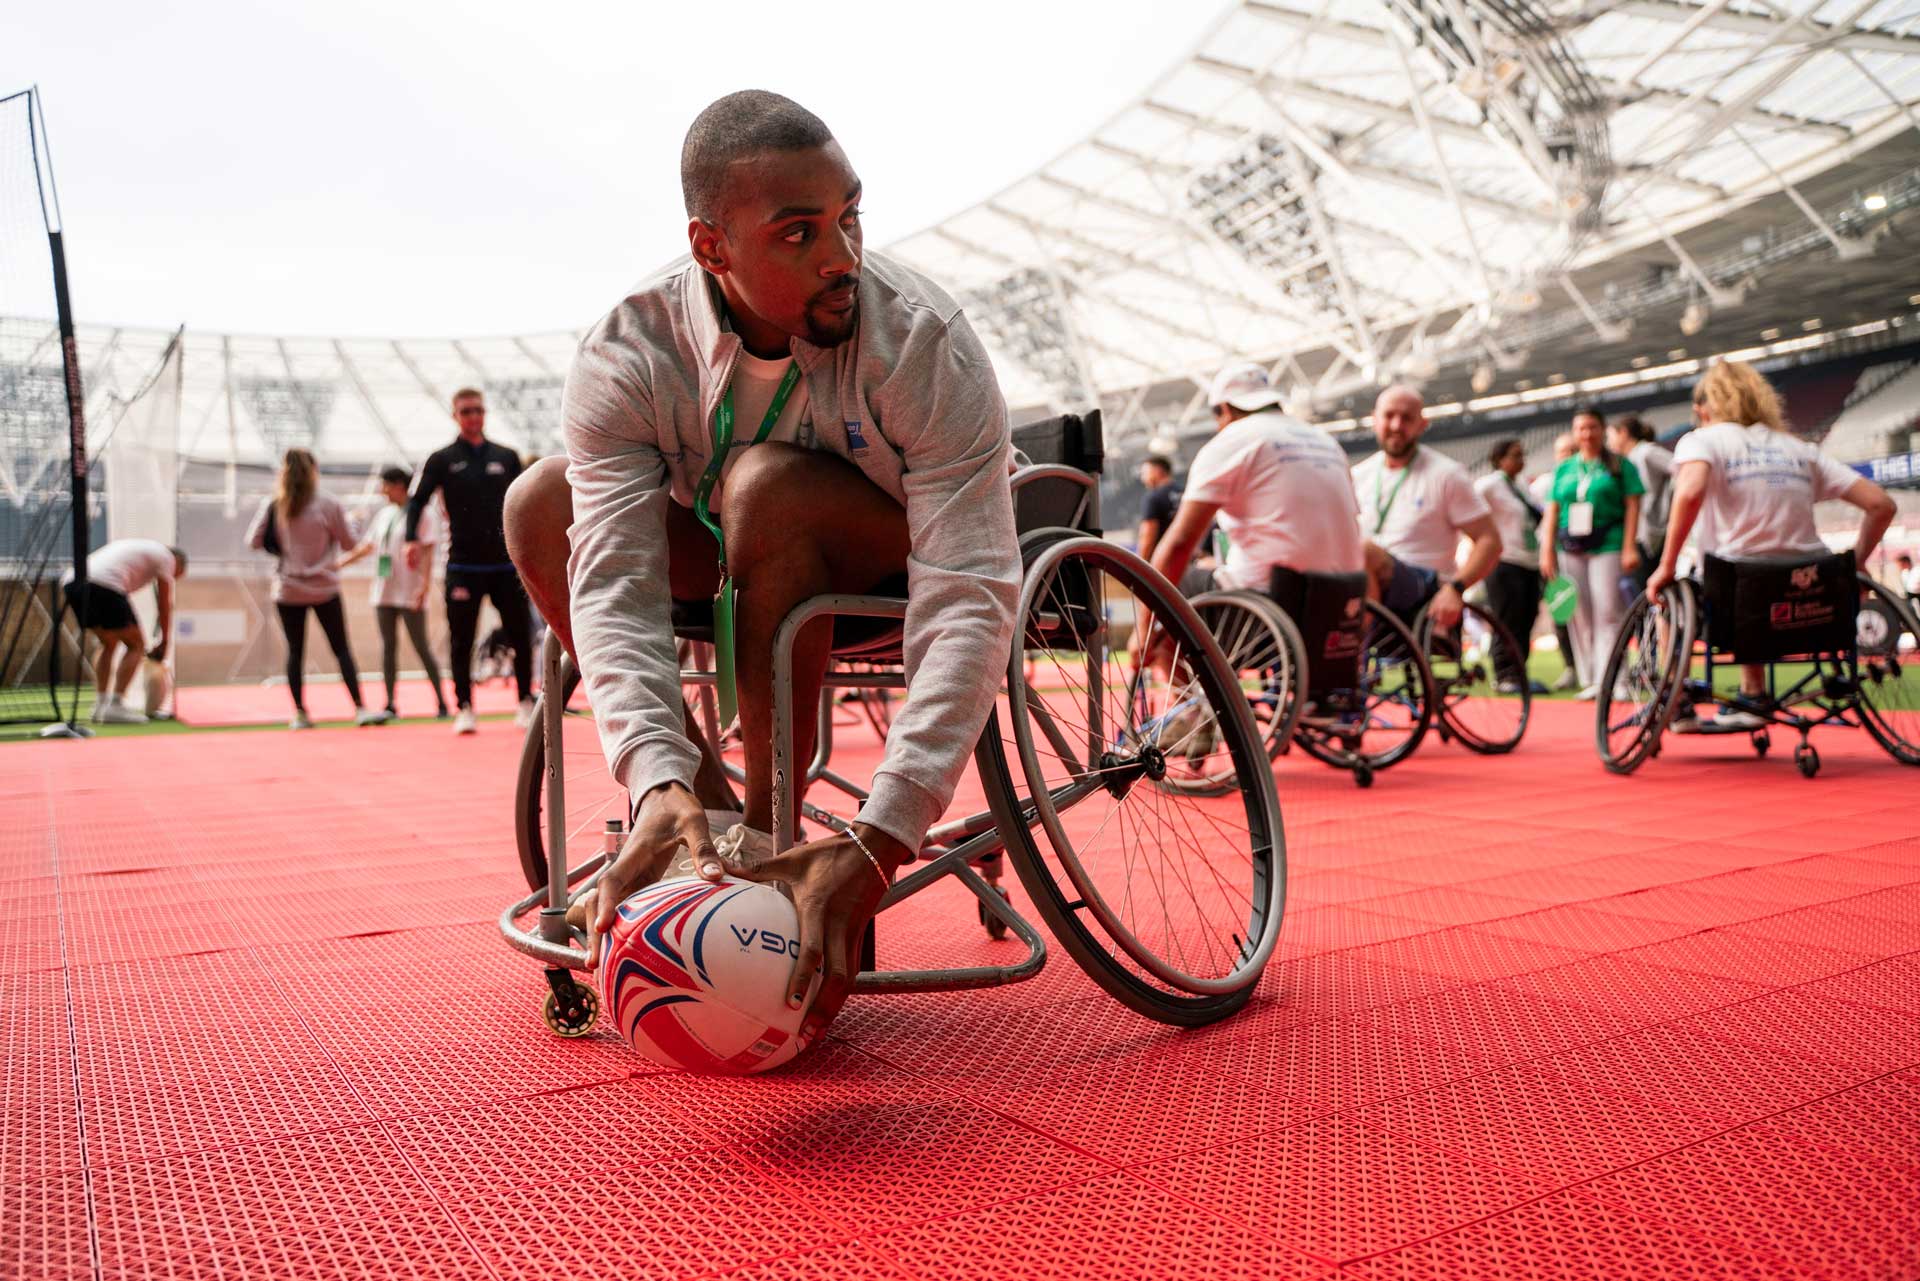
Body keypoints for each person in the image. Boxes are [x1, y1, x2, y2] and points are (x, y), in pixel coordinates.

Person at [501, 91, 1019, 1046]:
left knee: (766, 483)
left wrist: (883, 836)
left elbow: (971, 588)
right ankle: (704, 814)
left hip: (886, 565)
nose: (843, 257)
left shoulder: (922, 341)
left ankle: (775, 837)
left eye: (850, 217)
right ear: (712, 249)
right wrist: (654, 772)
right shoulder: (630, 351)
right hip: (733, 558)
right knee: (540, 499)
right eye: (799, 233)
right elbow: (612, 579)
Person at [1648, 360, 1895, 731]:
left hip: (1738, 599)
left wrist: (1665, 568)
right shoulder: (1799, 449)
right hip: (1815, 598)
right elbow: (1882, 505)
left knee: (1676, 597)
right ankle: (1753, 692)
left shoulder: (1702, 440)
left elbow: (1691, 492)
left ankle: (1677, 698)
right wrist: (1857, 562)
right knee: (1756, 574)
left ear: (1703, 410)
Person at [1150, 361, 1362, 595]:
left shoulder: (1232, 439)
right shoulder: (1325, 440)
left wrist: (1142, 630)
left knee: (1167, 579)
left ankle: (1144, 633)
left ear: (1224, 409)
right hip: (1344, 593)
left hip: (1274, 597)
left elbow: (1179, 545)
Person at [405, 389, 534, 735]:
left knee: (521, 636)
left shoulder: (506, 457)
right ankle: (464, 706)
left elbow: (525, 501)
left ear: (485, 413)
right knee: (461, 640)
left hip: (506, 565)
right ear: (455, 416)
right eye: (465, 411)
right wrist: (410, 540)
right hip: (463, 566)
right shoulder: (441, 459)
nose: (472, 416)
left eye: (477, 410)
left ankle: (525, 701)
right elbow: (416, 502)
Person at [246, 448, 385, 730]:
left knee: (295, 652)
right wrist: (354, 521)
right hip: (324, 587)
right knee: (341, 648)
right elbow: (349, 543)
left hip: (287, 589)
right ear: (314, 470)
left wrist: (284, 548)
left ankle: (299, 713)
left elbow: (254, 540)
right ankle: (359, 708)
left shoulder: (275, 503)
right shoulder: (329, 503)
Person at [1351, 385, 1501, 629]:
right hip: (1366, 583)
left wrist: (1456, 588)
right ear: (1374, 420)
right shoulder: (1358, 475)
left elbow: (1490, 541)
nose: (1397, 425)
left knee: (1364, 550)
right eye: (1389, 416)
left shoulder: (1446, 474)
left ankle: (1354, 655)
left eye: (1407, 418)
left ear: (1422, 424)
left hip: (1425, 590)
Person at [1540, 407, 1643, 700]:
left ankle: (1617, 680)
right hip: (1570, 546)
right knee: (1581, 615)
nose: (1586, 434)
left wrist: (1629, 545)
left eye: (1592, 427)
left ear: (1602, 429)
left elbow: (1633, 505)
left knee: (1608, 612)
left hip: (1608, 543)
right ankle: (1593, 679)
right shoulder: (1564, 468)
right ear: (1575, 433)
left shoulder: (1620, 465)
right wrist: (1546, 551)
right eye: (1581, 429)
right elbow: (1552, 510)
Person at [338, 465, 448, 719]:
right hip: (384, 590)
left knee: (421, 646)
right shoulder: (385, 515)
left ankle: (442, 701)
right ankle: (390, 703)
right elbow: (368, 546)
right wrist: (339, 564)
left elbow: (428, 552)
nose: (382, 490)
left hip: (409, 590)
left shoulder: (422, 513)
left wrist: (423, 587)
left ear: (399, 485)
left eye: (385, 484)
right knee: (388, 647)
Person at [61, 538, 186, 725]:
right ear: (178, 563)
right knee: (136, 645)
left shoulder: (144, 550)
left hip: (73, 583)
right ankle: (116, 704)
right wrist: (165, 641)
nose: (173, 578)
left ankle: (101, 705)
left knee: (109, 643)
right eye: (177, 575)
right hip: (104, 584)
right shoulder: (167, 558)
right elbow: (165, 603)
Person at [1474, 437, 1543, 692]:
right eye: (1514, 455)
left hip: (1528, 560)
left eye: (1522, 454)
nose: (1521, 460)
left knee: (1527, 618)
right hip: (1503, 561)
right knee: (1507, 619)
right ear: (1499, 458)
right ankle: (1504, 675)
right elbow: (1470, 513)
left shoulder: (1522, 486)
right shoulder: (1488, 485)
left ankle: (1519, 673)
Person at [1534, 431, 1581, 691]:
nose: (1567, 457)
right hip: (1556, 557)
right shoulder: (1544, 484)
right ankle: (1571, 667)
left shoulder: (1590, 478)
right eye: (1563, 452)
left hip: (1587, 554)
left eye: (1572, 451)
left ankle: (1599, 667)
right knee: (1562, 612)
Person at [1610, 413, 1672, 582]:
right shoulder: (1627, 459)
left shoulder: (1647, 451)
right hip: (1640, 532)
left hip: (1654, 529)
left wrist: (1668, 503)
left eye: (1610, 436)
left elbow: (1681, 469)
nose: (1609, 442)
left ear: (1622, 433)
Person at [1135, 454, 1179, 563]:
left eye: (1145, 473)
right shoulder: (1186, 493)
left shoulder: (1153, 497)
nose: (1142, 478)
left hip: (1163, 560)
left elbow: (1148, 533)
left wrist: (1141, 563)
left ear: (1158, 471)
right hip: (1186, 558)